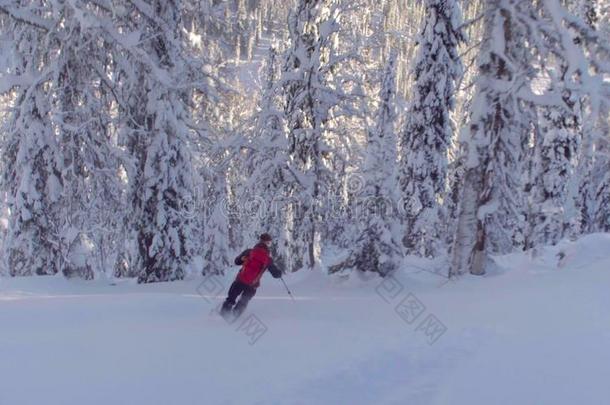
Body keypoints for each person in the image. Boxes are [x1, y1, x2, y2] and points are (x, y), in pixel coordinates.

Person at [220, 233, 282, 318]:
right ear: (268, 243)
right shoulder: (268, 259)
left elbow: (237, 262)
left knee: (230, 299)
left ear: (259, 241)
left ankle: (222, 318)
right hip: (252, 286)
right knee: (243, 303)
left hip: (240, 281)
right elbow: (276, 274)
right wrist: (279, 273)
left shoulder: (249, 251)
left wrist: (243, 259)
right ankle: (234, 319)